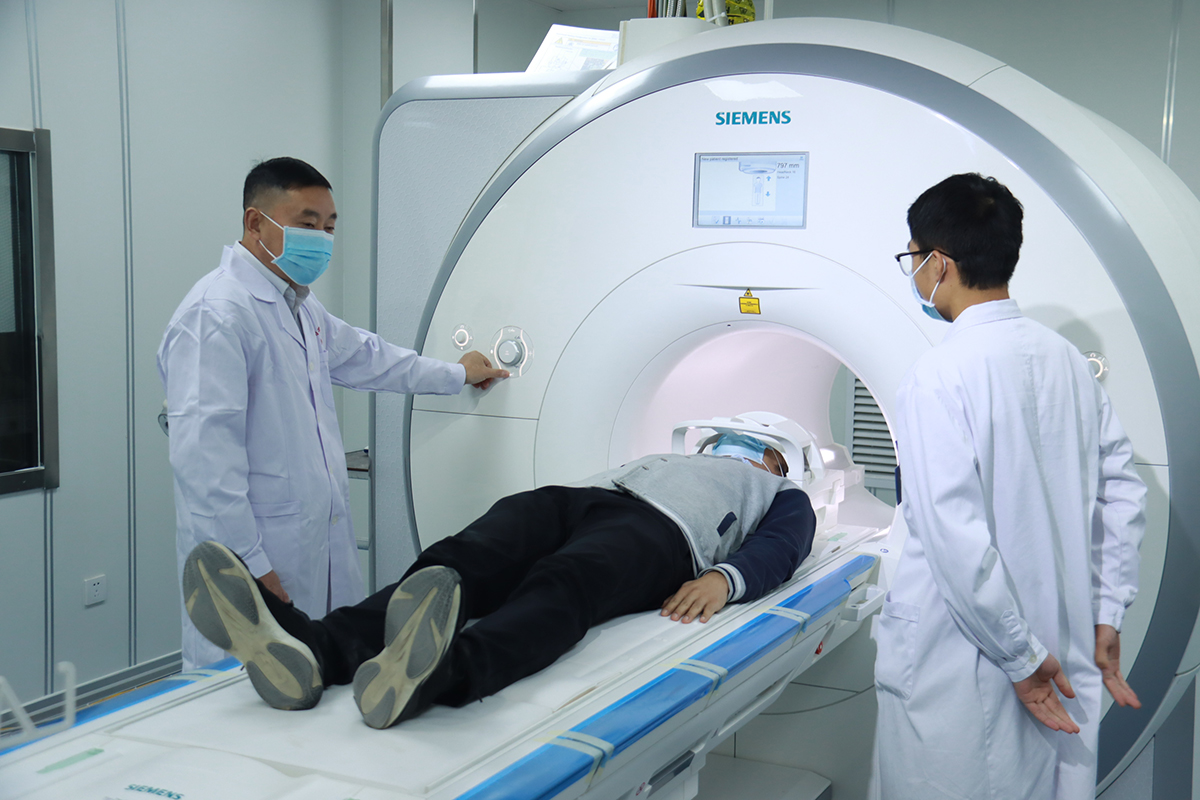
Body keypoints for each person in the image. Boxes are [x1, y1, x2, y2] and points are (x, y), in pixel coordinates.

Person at [181, 432, 817, 728]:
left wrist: (726, 578)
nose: (735, 448)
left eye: (754, 445)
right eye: (726, 439)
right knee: (461, 558)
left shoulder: (777, 490)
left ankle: (444, 673)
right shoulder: (661, 454)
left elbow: (783, 546)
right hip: (577, 498)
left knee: (565, 581)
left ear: (776, 460)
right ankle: (316, 648)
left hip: (666, 533)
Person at [158, 157, 509, 670]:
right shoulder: (215, 316)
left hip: (313, 547)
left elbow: (368, 357)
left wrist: (455, 374)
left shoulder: (299, 306)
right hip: (256, 560)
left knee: (318, 677)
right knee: (243, 696)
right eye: (307, 224)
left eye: (328, 227)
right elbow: (206, 470)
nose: (320, 239)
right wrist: (249, 570)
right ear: (255, 223)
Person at [871, 173, 1147, 799]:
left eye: (912, 258)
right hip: (1062, 639)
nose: (913, 271)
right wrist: (1108, 612)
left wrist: (1020, 660)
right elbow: (1122, 492)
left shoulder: (938, 376)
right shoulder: (1067, 362)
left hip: (968, 659)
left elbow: (955, 538)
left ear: (939, 262)